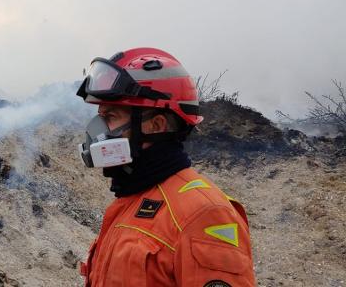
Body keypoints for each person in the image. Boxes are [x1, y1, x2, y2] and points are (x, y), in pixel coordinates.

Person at [76, 47, 255, 286]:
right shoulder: (130, 199)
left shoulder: (203, 214)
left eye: (110, 117)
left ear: (156, 125)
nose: (98, 132)